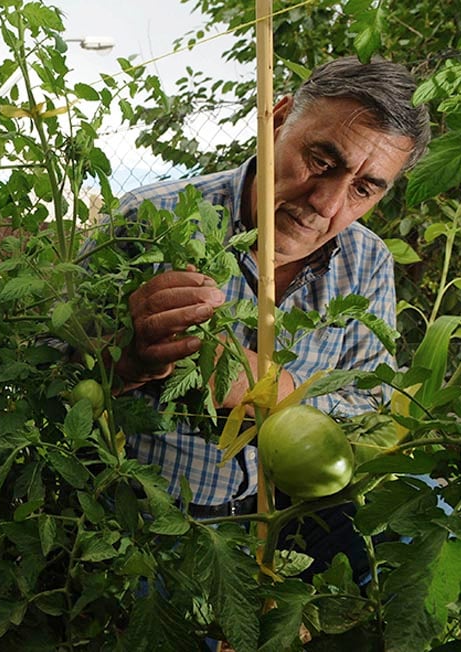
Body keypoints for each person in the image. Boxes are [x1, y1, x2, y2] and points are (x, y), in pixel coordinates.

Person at [109, 56, 431, 574]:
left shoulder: (368, 262)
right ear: (277, 119)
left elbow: (371, 411)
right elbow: (49, 373)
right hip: (147, 516)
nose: (326, 203)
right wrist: (125, 361)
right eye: (323, 160)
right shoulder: (151, 220)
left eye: (364, 188)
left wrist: (262, 387)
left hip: (287, 516)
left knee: (418, 522)